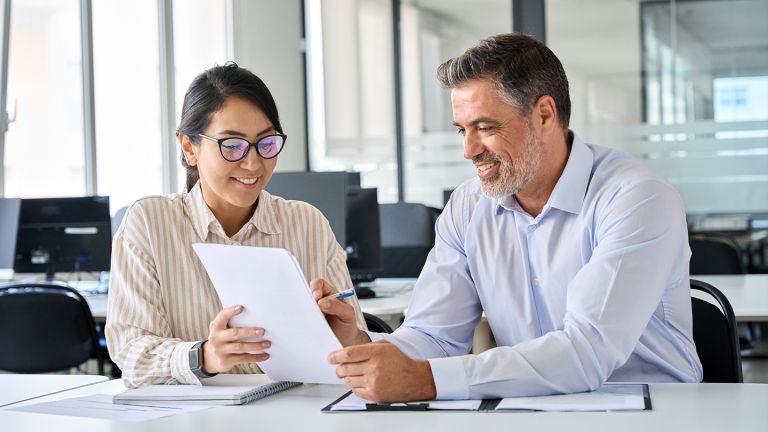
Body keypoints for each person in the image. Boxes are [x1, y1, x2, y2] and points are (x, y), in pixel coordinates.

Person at [314, 33, 703, 402]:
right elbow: (433, 334)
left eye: (485, 127)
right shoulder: (468, 207)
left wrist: (428, 380)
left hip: (652, 406)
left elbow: (587, 351)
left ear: (545, 115)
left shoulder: (636, 198)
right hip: (530, 406)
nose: (468, 150)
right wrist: (361, 351)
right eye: (461, 130)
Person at [106, 62, 365, 387]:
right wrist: (204, 356)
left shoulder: (307, 223)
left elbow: (357, 352)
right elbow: (132, 354)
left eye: (266, 143)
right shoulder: (150, 223)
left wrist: (349, 337)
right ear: (189, 148)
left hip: (298, 412)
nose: (253, 162)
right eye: (232, 145)